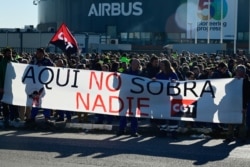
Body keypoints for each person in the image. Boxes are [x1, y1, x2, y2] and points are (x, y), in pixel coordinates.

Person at [25, 48, 55, 126]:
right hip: (36, 85)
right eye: (37, 53)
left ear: (42, 53)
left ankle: (47, 118)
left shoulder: (47, 60)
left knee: (46, 101)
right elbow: (28, 68)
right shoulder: (33, 60)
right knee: (36, 101)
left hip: (45, 84)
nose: (37, 54)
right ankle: (32, 117)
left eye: (39, 53)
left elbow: (54, 68)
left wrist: (43, 67)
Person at [224, 64, 250, 143]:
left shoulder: (247, 81)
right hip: (232, 104)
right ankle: (229, 136)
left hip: (242, 104)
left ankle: (242, 137)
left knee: (242, 122)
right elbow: (226, 88)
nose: (237, 72)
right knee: (231, 121)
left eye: (239, 71)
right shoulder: (233, 80)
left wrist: (245, 106)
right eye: (237, 71)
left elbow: (247, 94)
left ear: (243, 72)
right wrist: (233, 80)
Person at [117, 58, 142, 137]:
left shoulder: (141, 73)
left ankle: (133, 131)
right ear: (131, 64)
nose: (136, 65)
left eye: (137, 64)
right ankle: (121, 129)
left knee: (134, 114)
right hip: (125, 96)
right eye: (134, 64)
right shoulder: (125, 72)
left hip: (135, 97)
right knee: (123, 113)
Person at [0, 48, 20, 127]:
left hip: (13, 86)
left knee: (14, 102)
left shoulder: (15, 62)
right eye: (8, 53)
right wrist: (1, 87)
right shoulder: (1, 64)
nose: (9, 54)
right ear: (5, 54)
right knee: (5, 103)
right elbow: (0, 76)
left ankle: (15, 117)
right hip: (4, 86)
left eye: (10, 53)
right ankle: (6, 117)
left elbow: (16, 75)